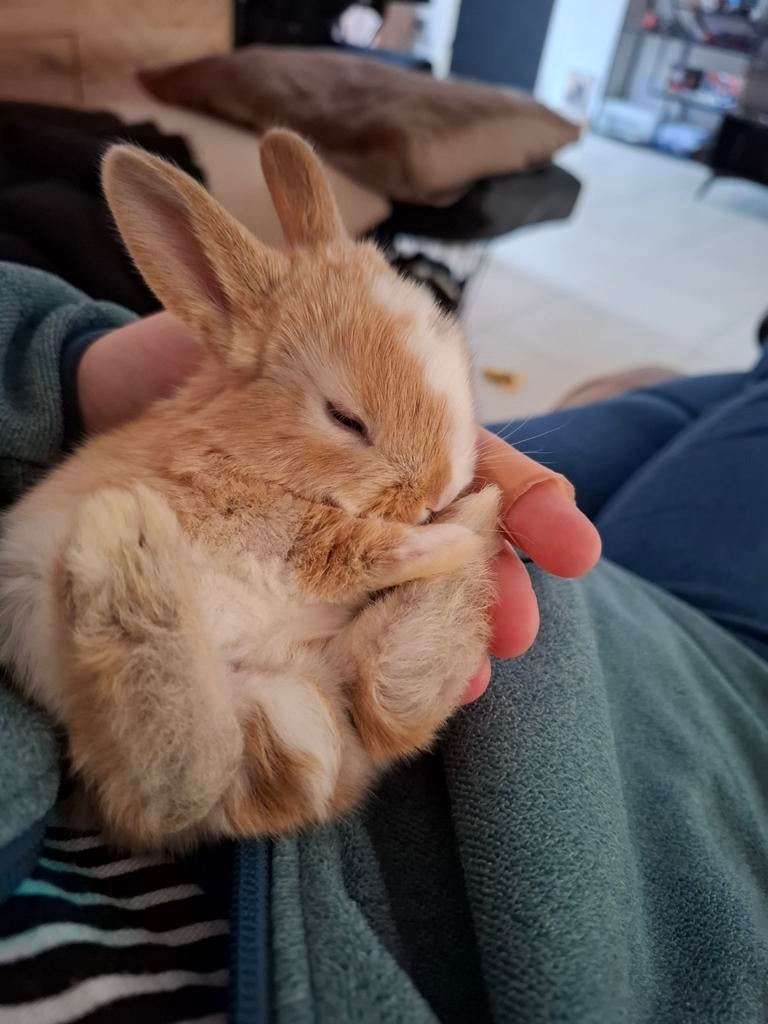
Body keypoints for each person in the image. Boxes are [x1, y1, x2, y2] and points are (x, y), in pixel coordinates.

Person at [0, 261, 765, 1023]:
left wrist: (62, 364)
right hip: (714, 706)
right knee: (710, 413)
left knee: (654, 413)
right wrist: (389, 551)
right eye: (348, 419)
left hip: (594, 631)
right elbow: (289, 541)